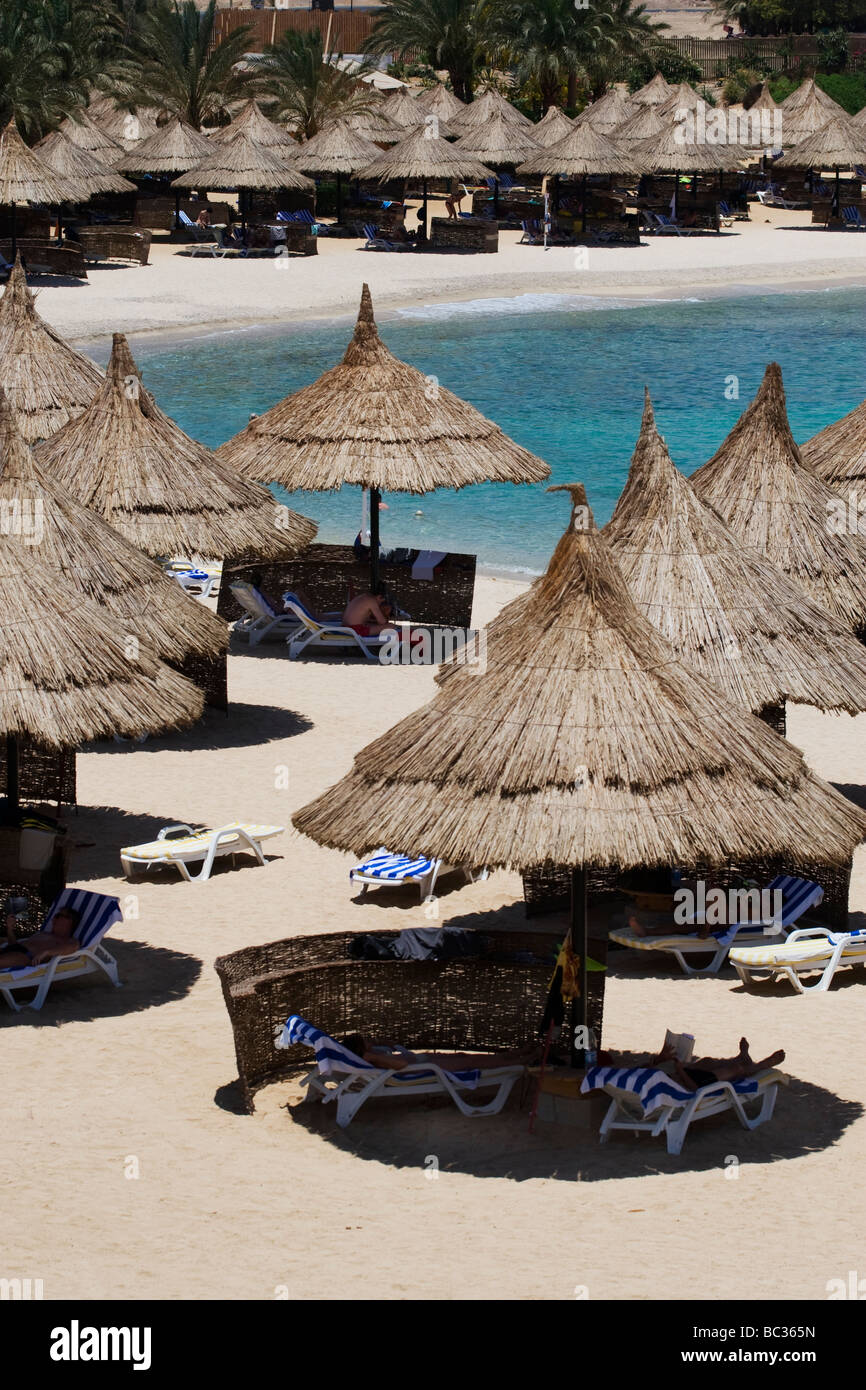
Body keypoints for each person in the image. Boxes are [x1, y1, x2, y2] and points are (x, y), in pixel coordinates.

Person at [342, 1034, 540, 1071]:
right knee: (470, 1064)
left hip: (423, 1059)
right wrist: (374, 1054)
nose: (369, 1041)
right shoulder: (374, 1060)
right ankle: (523, 1062)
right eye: (365, 1041)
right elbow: (402, 1066)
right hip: (424, 1067)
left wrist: (377, 1044)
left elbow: (393, 1046)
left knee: (464, 1057)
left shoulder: (374, 1052)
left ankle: (517, 1054)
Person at [654, 1036, 785, 1091]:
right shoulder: (647, 1091)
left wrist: (661, 1058)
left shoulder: (636, 1077)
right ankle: (761, 1065)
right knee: (735, 1070)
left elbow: (646, 1068)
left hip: (678, 1076)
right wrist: (681, 1070)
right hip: (688, 1085)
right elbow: (694, 1088)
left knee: (707, 1061)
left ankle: (741, 1057)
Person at [1, 905, 81, 969]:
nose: (53, 918)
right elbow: (13, 945)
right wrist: (10, 929)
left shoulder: (68, 941)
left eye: (58, 916)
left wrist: (46, 952)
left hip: (25, 957)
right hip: (12, 949)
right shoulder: (43, 934)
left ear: (70, 921)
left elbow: (73, 947)